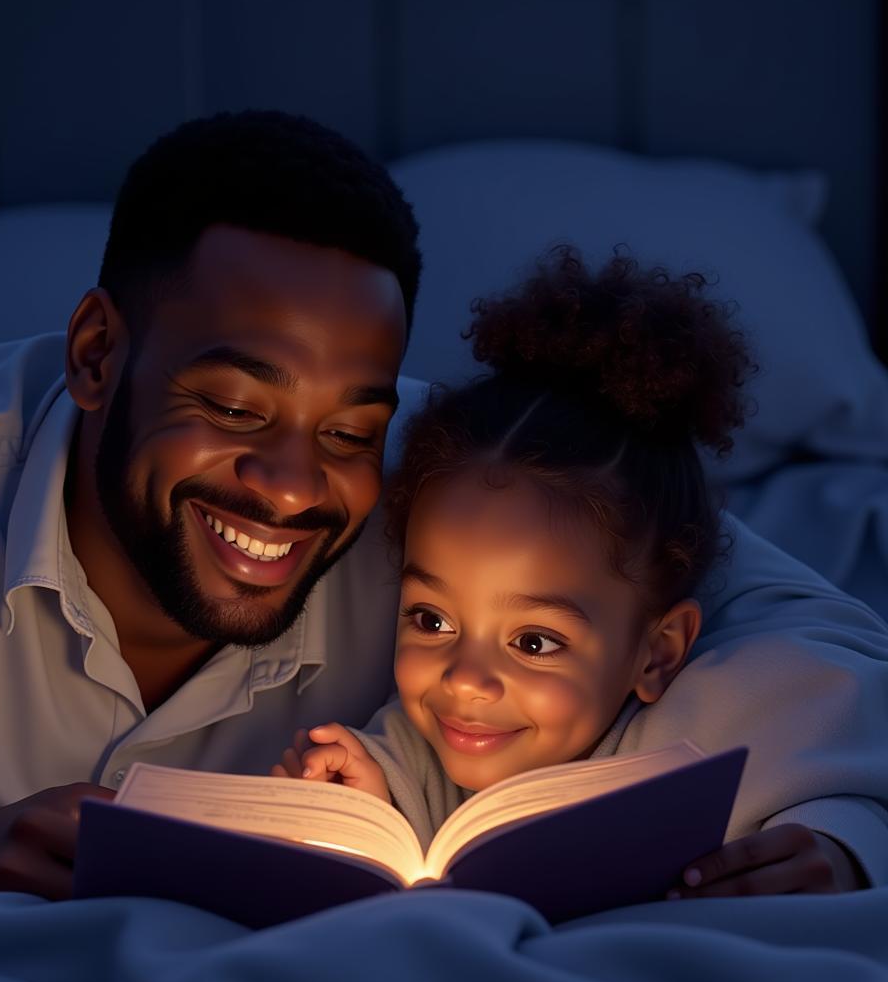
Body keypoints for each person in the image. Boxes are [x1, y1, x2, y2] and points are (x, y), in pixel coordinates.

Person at [0, 112, 885, 909]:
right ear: (96, 354)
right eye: (231, 407)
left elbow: (782, 619)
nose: (295, 484)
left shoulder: (461, 485)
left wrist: (844, 836)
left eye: (349, 429)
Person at [273, 249, 885, 896]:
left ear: (657, 653)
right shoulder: (417, 735)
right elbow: (400, 782)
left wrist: (840, 848)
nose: (466, 681)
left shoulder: (723, 716)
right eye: (433, 619)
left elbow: (850, 757)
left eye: (534, 642)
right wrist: (367, 798)